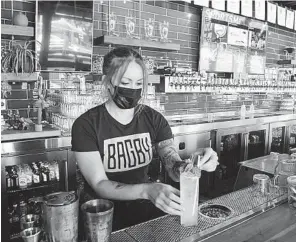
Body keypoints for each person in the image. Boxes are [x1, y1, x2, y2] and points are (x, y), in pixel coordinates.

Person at [71, 47, 218, 230]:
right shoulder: (86, 125)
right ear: (107, 82)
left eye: (139, 84)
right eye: (126, 82)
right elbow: (99, 184)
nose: (133, 90)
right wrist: (147, 190)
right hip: (101, 218)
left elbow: (173, 166)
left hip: (143, 213)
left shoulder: (153, 119)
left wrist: (193, 164)